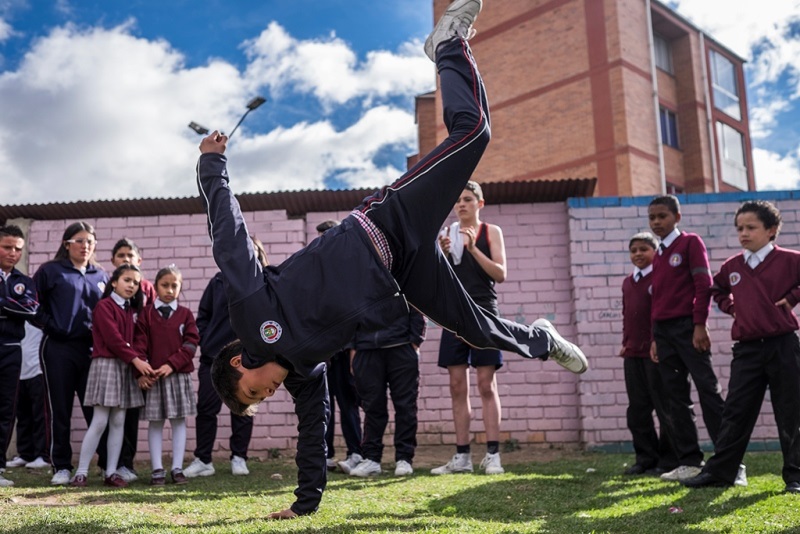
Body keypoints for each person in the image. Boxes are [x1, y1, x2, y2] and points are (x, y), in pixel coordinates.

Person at [199, 0, 586, 518]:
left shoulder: (252, 315)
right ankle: (541, 338)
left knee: (474, 132)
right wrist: (304, 506)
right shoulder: (303, 372)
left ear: (238, 364)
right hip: (403, 269)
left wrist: (213, 167)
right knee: (473, 328)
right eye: (262, 400)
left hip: (386, 222)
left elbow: (230, 241)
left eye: (253, 392)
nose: (266, 394)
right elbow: (314, 430)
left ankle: (448, 45)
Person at [683, 200, 800, 493]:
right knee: (736, 411)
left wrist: (793, 297)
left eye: (751, 227)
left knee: (791, 411)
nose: (743, 234)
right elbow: (716, 288)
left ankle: (795, 477)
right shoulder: (732, 266)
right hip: (747, 349)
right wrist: (730, 306)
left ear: (771, 230)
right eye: (739, 228)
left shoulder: (791, 260)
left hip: (784, 346)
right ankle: (721, 473)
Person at [647, 195, 729, 483]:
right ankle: (690, 461)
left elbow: (703, 285)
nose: (657, 222)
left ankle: (729, 461)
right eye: (652, 217)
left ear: (677, 217)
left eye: (662, 216)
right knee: (675, 398)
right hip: (664, 333)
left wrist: (699, 324)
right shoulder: (659, 253)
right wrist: (655, 337)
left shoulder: (690, 243)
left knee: (708, 390)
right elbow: (657, 299)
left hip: (688, 328)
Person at [432, 180, 507, 475]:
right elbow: (437, 280)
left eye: (467, 199)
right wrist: (441, 256)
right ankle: (462, 457)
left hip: (484, 312)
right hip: (454, 315)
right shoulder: (446, 234)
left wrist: (473, 249)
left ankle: (492, 455)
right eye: (457, 200)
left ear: (480, 203)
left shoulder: (491, 232)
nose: (461, 204)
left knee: (486, 384)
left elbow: (500, 274)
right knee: (456, 385)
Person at [184, 236, 267, 479]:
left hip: (248, 360)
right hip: (213, 357)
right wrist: (206, 339)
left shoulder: (263, 282)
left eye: (251, 249)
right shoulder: (218, 281)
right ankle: (203, 460)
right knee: (206, 409)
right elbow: (203, 316)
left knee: (243, 407)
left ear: (258, 254)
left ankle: (239, 457)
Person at [33, 221, 108, 486]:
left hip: (91, 351)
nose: (85, 246)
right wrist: (52, 326)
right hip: (58, 349)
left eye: (90, 241)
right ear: (67, 244)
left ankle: (105, 464)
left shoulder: (101, 275)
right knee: (60, 409)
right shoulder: (50, 271)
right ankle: (62, 466)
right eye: (79, 240)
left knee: (95, 410)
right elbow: (32, 305)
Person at [69, 264, 155, 488]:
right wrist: (137, 361)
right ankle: (81, 472)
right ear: (114, 282)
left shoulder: (132, 311)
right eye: (127, 280)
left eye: (136, 283)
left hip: (124, 367)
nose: (131, 285)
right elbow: (113, 339)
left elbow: (135, 340)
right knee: (99, 421)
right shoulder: (104, 306)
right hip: (106, 365)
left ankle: (111, 472)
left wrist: (135, 363)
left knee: (118, 421)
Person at [96, 238, 158, 484]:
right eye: (121, 255)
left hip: (137, 365)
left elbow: (147, 330)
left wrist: (141, 367)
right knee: (104, 417)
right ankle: (107, 464)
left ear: (139, 260)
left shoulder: (147, 289)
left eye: (130, 255)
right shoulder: (107, 298)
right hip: (111, 363)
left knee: (129, 417)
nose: (125, 259)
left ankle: (125, 464)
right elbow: (110, 334)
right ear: (113, 261)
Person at [133, 265, 199, 485]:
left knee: (179, 421)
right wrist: (142, 371)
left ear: (180, 287)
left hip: (178, 376)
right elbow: (139, 344)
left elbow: (191, 344)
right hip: (154, 377)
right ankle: (157, 469)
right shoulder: (146, 314)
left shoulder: (185, 314)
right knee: (156, 422)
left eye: (174, 286)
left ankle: (177, 468)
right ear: (155, 286)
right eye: (164, 285)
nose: (169, 290)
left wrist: (172, 365)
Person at [619, 232, 675, 476]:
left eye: (644, 249)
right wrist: (626, 342)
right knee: (638, 410)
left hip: (656, 353)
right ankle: (645, 458)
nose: (638, 254)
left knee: (665, 407)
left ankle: (669, 460)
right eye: (634, 251)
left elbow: (662, 314)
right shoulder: (628, 282)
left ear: (655, 252)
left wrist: (657, 342)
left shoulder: (660, 278)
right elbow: (627, 315)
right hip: (633, 353)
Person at [348, 310, 426, 477]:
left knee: (406, 406)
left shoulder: (406, 286)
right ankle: (371, 458)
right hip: (366, 347)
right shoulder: (356, 288)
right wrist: (353, 347)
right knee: (372, 407)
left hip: (401, 345)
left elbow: (418, 305)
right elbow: (352, 309)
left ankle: (404, 458)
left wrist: (415, 340)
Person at [315, 220, 364, 474]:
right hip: (323, 353)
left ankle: (356, 452)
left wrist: (354, 350)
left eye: (326, 236)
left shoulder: (350, 271)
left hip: (345, 352)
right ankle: (326, 455)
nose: (323, 242)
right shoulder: (315, 271)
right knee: (324, 405)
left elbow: (356, 314)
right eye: (320, 238)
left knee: (348, 404)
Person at [0, 224, 39, 488]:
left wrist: (3, 304)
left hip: (12, 348)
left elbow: (31, 310)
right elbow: (20, 308)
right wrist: (12, 306)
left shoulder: (25, 282)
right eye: (7, 247)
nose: (13, 253)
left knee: (5, 410)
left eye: (17, 248)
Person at [7, 323, 49, 471]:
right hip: (20, 370)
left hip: (38, 370)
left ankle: (43, 455)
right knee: (22, 416)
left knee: (40, 416)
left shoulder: (38, 316)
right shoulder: (16, 317)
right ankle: (26, 453)